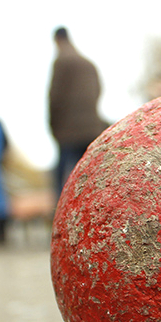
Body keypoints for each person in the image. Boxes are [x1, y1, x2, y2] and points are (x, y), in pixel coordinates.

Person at [48, 26, 106, 201]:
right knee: (91, 175)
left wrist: (52, 126)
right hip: (92, 128)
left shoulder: (61, 61)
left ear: (57, 40)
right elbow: (98, 90)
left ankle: (60, 213)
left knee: (62, 179)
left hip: (68, 131)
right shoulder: (88, 64)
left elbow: (55, 96)